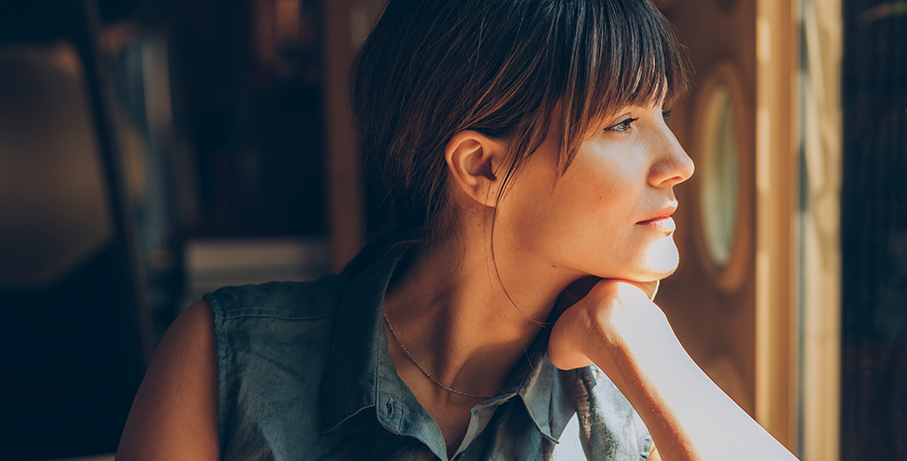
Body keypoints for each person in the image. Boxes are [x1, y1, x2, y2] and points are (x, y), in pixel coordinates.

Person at [117, 0, 799, 459]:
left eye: (665, 115)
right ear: (482, 166)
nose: (680, 161)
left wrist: (635, 335)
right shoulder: (225, 364)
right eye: (622, 123)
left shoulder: (625, 411)